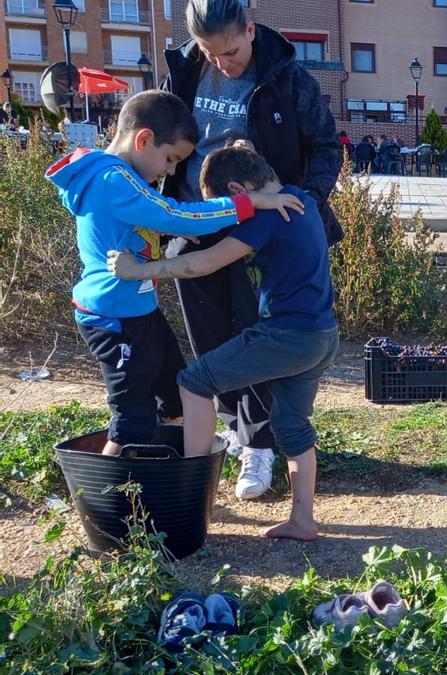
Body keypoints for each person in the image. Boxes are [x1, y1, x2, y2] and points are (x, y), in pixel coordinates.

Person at [44, 90, 303, 457]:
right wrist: (251, 202)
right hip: (114, 317)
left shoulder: (109, 175)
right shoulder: (115, 179)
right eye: (170, 159)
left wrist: (174, 227)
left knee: (176, 394)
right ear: (144, 139)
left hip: (138, 311)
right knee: (131, 417)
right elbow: (174, 213)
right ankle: (111, 499)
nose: (169, 170)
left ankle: (166, 468)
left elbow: (140, 222)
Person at [107, 145, 337, 542]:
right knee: (291, 425)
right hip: (321, 337)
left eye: (232, 203)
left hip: (284, 335)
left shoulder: (268, 215)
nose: (235, 213)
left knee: (194, 381)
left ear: (238, 189)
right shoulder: (302, 200)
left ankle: (192, 496)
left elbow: (207, 262)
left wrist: (138, 270)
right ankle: (303, 521)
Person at [163, 0, 343, 501]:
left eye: (231, 51)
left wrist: (299, 204)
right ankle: (229, 426)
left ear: (250, 27)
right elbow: (162, 141)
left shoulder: (288, 76)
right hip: (196, 218)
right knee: (211, 337)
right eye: (209, 53)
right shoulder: (183, 70)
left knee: (259, 336)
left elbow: (327, 146)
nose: (222, 63)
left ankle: (259, 441)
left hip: (264, 221)